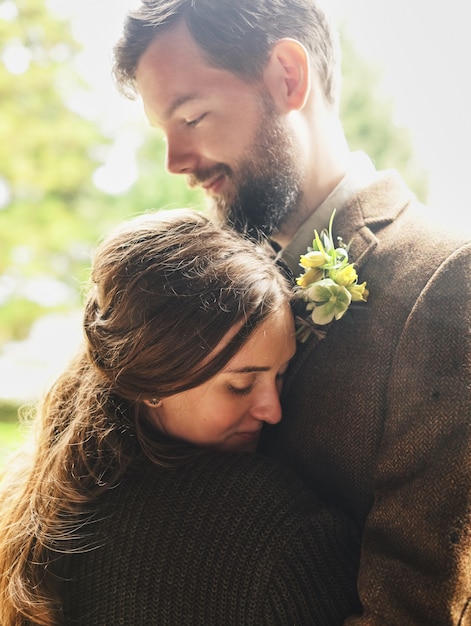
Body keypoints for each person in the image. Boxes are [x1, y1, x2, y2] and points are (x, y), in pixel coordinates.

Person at [112, 2, 471, 624]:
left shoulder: (446, 281)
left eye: (192, 116)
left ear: (286, 76)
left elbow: (412, 608)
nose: (175, 160)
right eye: (162, 131)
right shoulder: (195, 283)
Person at [0, 209, 362, 625]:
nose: (273, 410)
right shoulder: (270, 529)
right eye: (240, 385)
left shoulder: (51, 502)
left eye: (281, 375)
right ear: (153, 383)